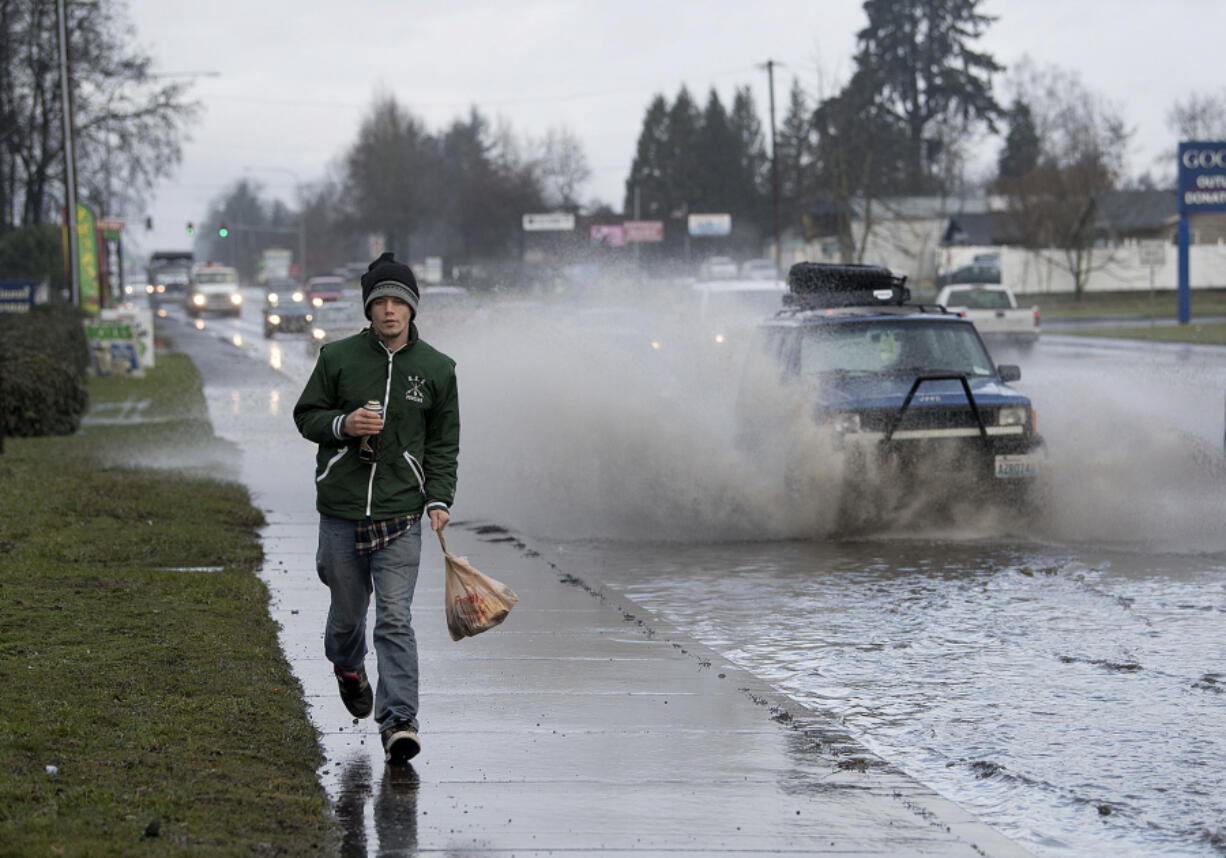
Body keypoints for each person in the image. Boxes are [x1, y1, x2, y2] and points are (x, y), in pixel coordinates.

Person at [293, 251, 460, 765]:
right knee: (348, 621)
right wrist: (344, 425)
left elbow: (442, 444)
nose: (390, 311)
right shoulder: (337, 358)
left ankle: (399, 722)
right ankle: (349, 670)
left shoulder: (437, 369)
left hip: (401, 514)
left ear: (412, 309)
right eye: (380, 302)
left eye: (399, 302)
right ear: (368, 310)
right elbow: (306, 416)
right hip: (342, 511)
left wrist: (437, 498)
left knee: (393, 619)